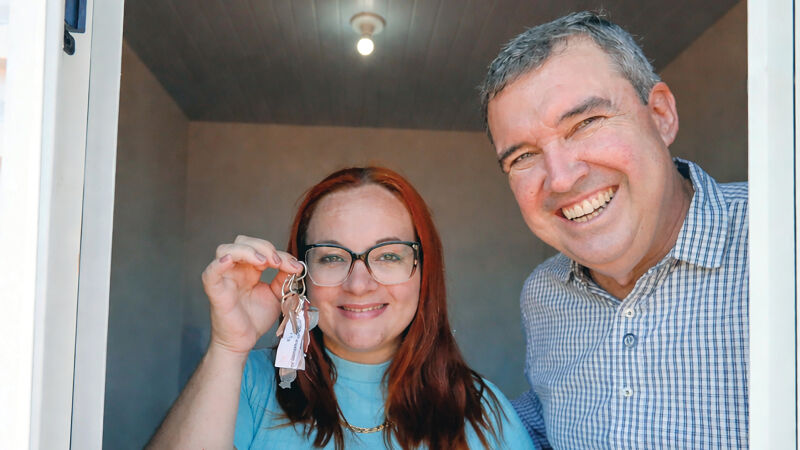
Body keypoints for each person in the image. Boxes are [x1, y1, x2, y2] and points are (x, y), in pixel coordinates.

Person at [480, 11, 748, 449]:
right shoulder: (544, 293)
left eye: (586, 124)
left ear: (660, 115)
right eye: (523, 157)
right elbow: (556, 415)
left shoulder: (781, 241)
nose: (562, 178)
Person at [147, 167, 535, 449]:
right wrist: (228, 347)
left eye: (387, 256)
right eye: (331, 258)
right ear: (301, 276)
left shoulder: (482, 411)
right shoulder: (248, 383)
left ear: (423, 270)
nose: (359, 284)